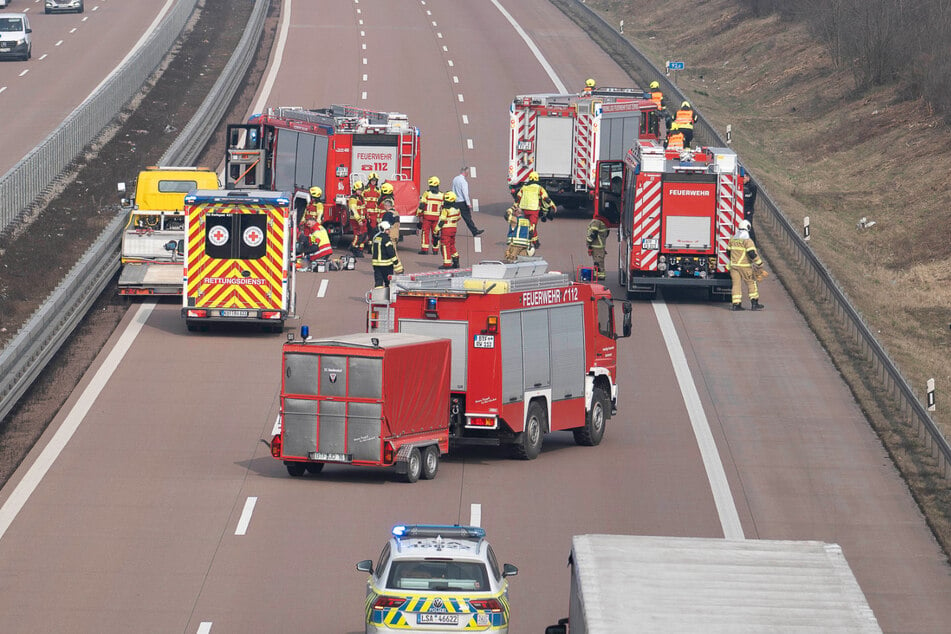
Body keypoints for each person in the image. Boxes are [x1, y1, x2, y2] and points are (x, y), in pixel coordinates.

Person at [727, 219, 765, 311]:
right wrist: (759, 263)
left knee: (736, 285)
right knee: (751, 283)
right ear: (748, 228)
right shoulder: (747, 241)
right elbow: (752, 253)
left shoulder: (732, 239)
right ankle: (754, 303)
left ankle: (736, 304)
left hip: (733, 267)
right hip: (745, 267)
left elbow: (728, 252)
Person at [515, 171, 555, 249]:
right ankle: (530, 239)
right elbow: (546, 198)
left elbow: (518, 197)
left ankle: (536, 243)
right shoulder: (539, 188)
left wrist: (515, 206)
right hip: (534, 209)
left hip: (525, 209)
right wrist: (553, 205)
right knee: (532, 225)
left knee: (529, 225)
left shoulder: (524, 187)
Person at [451, 166, 483, 236]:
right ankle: (474, 231)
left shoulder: (455, 179)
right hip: (462, 202)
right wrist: (468, 203)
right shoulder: (464, 181)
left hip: (455, 201)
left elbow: (453, 189)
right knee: (467, 218)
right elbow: (465, 193)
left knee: (452, 216)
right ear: (465, 172)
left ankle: (448, 230)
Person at [417, 176, 444, 254]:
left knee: (425, 233)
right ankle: (435, 250)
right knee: (436, 233)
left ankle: (424, 249)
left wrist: (418, 215)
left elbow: (422, 205)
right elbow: (443, 207)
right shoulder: (442, 195)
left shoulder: (427, 193)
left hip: (427, 217)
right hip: (437, 218)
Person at [371, 220, 402, 288]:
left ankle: (378, 296)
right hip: (386, 265)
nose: (389, 231)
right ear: (384, 230)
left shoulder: (375, 238)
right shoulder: (386, 239)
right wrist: (395, 261)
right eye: (388, 229)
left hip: (376, 264)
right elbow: (391, 252)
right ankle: (389, 296)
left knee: (378, 281)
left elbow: (372, 249)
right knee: (388, 281)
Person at [436, 191, 462, 269]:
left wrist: (436, 230)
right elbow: (459, 218)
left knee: (445, 246)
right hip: (454, 228)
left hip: (446, 229)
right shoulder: (457, 209)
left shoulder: (445, 210)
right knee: (451, 245)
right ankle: (456, 260)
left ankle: (447, 264)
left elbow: (441, 221)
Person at [347, 180, 366, 257]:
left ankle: (358, 249)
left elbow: (363, 208)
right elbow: (353, 209)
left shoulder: (360, 197)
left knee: (363, 235)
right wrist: (358, 220)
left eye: (361, 190)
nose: (360, 191)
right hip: (355, 220)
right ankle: (353, 247)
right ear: (355, 189)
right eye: (359, 190)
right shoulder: (353, 198)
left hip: (362, 219)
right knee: (358, 235)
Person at [742, 172, 758, 243]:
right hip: (742, 208)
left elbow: (752, 200)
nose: (743, 180)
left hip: (748, 209)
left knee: (748, 226)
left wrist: (749, 210)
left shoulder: (752, 187)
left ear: (748, 178)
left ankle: (753, 243)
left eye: (744, 178)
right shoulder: (741, 185)